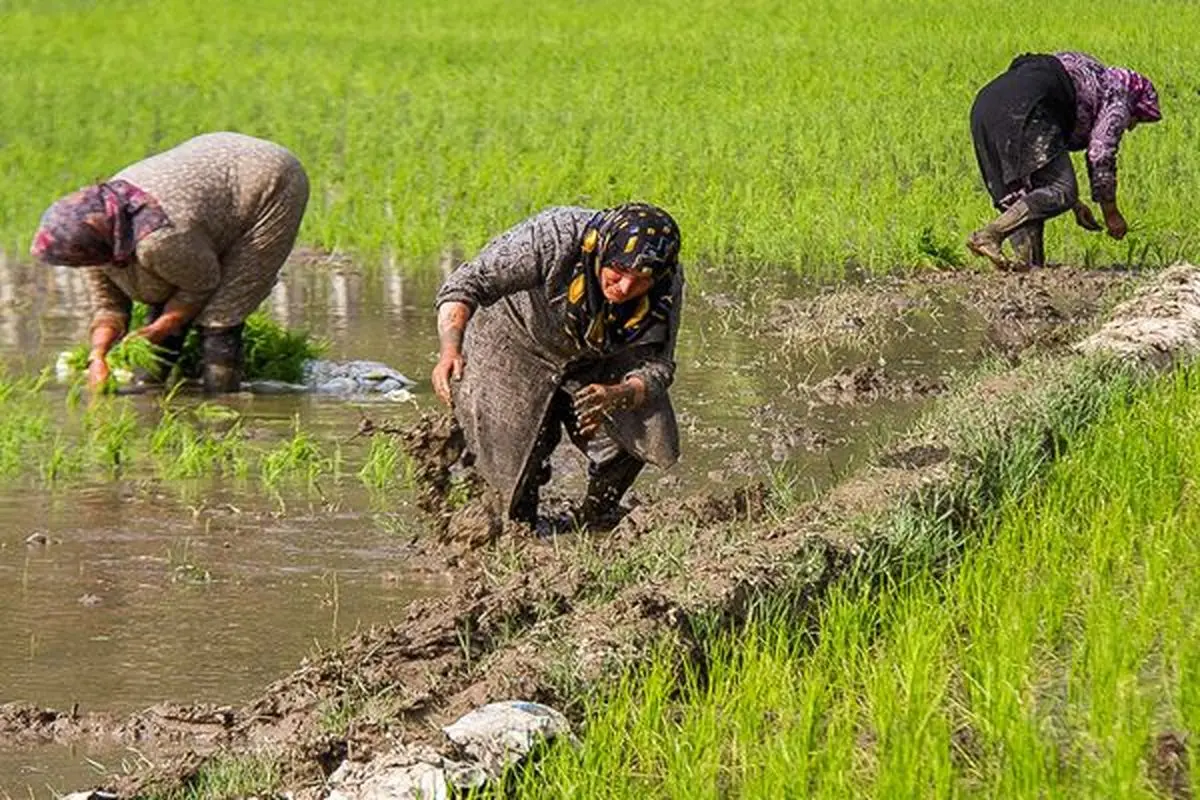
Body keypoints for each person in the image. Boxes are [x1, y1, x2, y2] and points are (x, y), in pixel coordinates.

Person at [432, 203, 683, 529]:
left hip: (597, 349)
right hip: (515, 338)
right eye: (618, 271)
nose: (624, 288)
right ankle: (518, 534)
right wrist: (450, 350)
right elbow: (465, 284)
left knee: (647, 427)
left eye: (640, 281)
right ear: (603, 251)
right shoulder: (555, 237)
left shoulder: (667, 283)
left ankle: (594, 520)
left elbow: (658, 365)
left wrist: (618, 393)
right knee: (512, 480)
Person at [30, 132, 310, 391]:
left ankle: (224, 398)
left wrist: (159, 328)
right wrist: (98, 356)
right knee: (164, 299)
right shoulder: (96, 234)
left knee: (221, 315)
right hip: (208, 182)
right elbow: (109, 307)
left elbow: (202, 284)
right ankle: (153, 387)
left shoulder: (159, 239)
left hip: (266, 180)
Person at [967, 51, 1161, 270]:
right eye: (1136, 119)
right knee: (1063, 190)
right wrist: (1111, 213)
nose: (1131, 126)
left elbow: (1042, 170)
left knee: (1022, 204)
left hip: (986, 107)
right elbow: (1101, 152)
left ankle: (1025, 271)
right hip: (1027, 109)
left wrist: (1075, 206)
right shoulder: (1119, 98)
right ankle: (990, 235)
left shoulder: (1089, 74)